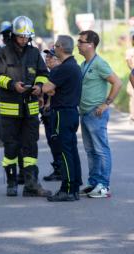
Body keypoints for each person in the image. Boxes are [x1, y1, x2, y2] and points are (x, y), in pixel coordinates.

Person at [0, 15, 51, 197]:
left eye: (26, 37)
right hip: (9, 110)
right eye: (21, 36)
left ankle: (31, 184)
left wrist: (38, 86)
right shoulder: (4, 52)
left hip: (30, 109)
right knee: (11, 148)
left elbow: (42, 73)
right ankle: (12, 182)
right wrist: (13, 85)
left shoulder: (34, 53)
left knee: (30, 147)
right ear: (14, 35)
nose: (24, 40)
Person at [77, 30, 121, 198]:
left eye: (81, 41)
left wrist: (106, 103)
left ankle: (104, 186)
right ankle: (94, 182)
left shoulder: (99, 64)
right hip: (85, 113)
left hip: (96, 113)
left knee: (101, 150)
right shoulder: (83, 65)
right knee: (90, 150)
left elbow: (117, 83)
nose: (78, 44)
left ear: (91, 45)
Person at [40, 35, 82, 201]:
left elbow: (47, 88)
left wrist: (42, 88)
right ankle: (75, 186)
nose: (54, 48)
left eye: (56, 46)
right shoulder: (73, 66)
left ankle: (67, 190)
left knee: (64, 152)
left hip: (62, 114)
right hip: (71, 112)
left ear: (61, 47)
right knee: (71, 151)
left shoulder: (64, 68)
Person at [41, 48, 63, 182]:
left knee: (56, 141)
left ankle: (60, 169)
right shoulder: (51, 72)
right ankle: (58, 168)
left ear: (59, 60)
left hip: (55, 112)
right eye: (47, 56)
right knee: (52, 141)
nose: (47, 59)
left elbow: (52, 92)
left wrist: (48, 102)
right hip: (49, 113)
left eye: (51, 57)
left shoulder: (57, 72)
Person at [125, 34, 134, 122]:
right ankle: (132, 115)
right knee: (132, 95)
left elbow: (128, 62)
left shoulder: (129, 51)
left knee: (132, 96)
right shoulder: (130, 51)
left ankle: (132, 115)